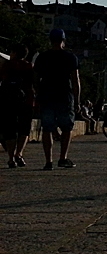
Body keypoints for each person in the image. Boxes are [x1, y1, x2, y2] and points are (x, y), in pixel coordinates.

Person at [33, 29, 80, 170]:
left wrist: (38, 93)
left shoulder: (42, 57)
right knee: (66, 128)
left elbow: (35, 78)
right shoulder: (71, 58)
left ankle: (48, 161)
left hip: (46, 95)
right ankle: (62, 158)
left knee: (47, 129)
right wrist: (77, 100)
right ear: (63, 41)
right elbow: (75, 81)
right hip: (64, 95)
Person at [0, 43, 35, 168]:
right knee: (24, 130)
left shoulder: (7, 65)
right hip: (26, 101)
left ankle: (10, 158)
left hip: (8, 101)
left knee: (10, 130)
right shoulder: (29, 66)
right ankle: (19, 154)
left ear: (14, 53)